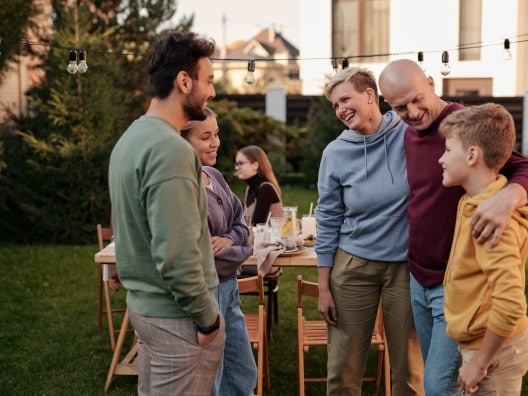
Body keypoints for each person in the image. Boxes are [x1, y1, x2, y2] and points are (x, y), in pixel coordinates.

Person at [378, 59, 528, 395]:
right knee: (445, 378)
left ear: (431, 83)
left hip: (458, 284)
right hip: (421, 277)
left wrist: (507, 199)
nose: (413, 112)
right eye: (401, 107)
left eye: (418, 100)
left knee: (437, 385)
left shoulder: (462, 129)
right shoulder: (409, 133)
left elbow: (521, 166)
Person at [108, 32, 224, 395]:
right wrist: (207, 318)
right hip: (179, 320)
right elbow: (176, 253)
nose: (212, 93)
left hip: (148, 311)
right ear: (183, 80)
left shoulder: (131, 139)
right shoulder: (170, 149)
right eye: (208, 81)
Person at [315, 66, 424, 395]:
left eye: (345, 99)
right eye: (335, 105)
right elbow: (328, 216)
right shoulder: (335, 153)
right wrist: (323, 287)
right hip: (353, 266)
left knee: (408, 369)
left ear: (369, 95)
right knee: (343, 370)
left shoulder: (409, 132)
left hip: (406, 267)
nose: (340, 109)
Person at [438, 103, 528, 394]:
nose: (441, 159)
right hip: (485, 346)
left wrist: (479, 363)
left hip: (493, 354)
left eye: (448, 150)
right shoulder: (474, 201)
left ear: (472, 154)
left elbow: (512, 304)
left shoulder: (490, 222)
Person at [181, 108, 257, 395]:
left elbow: (241, 224)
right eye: (205, 137)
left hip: (229, 288)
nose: (216, 143)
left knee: (241, 371)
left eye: (216, 134)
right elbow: (203, 252)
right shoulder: (182, 186)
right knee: (210, 377)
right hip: (205, 291)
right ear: (183, 142)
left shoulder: (214, 175)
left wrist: (230, 240)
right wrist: (243, 249)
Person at [235, 145, 283, 226]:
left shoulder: (266, 188)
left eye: (241, 163)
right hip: (254, 238)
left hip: (271, 238)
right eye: (236, 164)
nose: (237, 168)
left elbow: (257, 225)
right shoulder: (249, 188)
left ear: (255, 165)